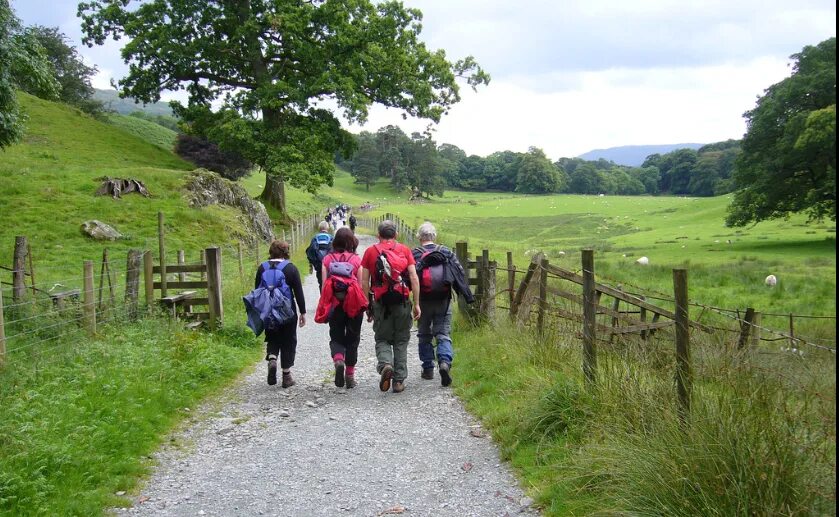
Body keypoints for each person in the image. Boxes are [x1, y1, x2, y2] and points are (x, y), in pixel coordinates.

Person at [361, 220, 421, 393]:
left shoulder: (371, 252)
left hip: (381, 303)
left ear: (378, 235)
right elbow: (414, 277)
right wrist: (416, 303)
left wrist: (367, 304)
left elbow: (365, 281)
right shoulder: (404, 250)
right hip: (402, 301)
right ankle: (398, 382)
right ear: (395, 235)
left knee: (382, 338)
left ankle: (386, 364)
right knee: (401, 340)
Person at [412, 222, 474, 387]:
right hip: (443, 300)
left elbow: (408, 276)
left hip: (423, 300)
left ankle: (427, 369)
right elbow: (459, 272)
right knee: (443, 333)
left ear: (419, 237)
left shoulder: (415, 254)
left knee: (424, 334)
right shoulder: (446, 251)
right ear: (434, 236)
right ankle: (445, 362)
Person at [315, 228, 366, 388]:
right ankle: (350, 376)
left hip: (335, 305)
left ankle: (338, 360)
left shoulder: (327, 260)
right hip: (353, 305)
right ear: (352, 241)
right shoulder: (357, 260)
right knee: (353, 339)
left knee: (336, 336)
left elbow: (324, 286)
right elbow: (360, 284)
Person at [255, 240, 306, 387]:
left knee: (272, 336)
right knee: (288, 340)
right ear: (286, 252)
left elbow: (257, 291)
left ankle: (272, 358)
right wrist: (302, 312)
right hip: (287, 311)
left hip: (268, 310)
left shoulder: (262, 268)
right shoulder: (290, 268)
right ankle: (286, 375)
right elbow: (298, 293)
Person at [306, 221, 333, 292]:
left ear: (319, 228)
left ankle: (322, 298)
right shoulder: (331, 238)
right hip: (330, 267)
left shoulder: (314, 238)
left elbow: (310, 252)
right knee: (331, 284)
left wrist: (312, 264)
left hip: (319, 266)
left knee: (321, 283)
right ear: (328, 228)